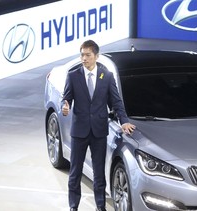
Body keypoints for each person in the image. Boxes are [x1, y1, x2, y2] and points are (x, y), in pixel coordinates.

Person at [61, 40, 135, 211]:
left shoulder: (106, 76)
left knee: (99, 173)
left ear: (96, 56)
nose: (84, 58)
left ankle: (100, 207)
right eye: (82, 55)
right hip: (79, 132)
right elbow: (66, 99)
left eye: (87, 55)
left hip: (99, 132)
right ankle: (73, 207)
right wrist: (65, 107)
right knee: (75, 172)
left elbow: (116, 102)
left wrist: (124, 121)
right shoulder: (73, 76)